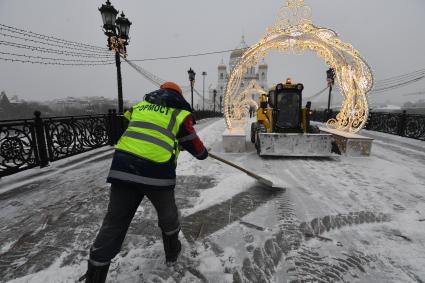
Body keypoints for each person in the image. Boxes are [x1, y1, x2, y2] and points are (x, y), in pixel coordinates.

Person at [80, 82, 208, 283]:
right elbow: (198, 151)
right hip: (156, 173)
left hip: (123, 169)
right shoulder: (178, 114)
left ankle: (95, 273)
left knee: (114, 222)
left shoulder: (139, 107)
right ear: (178, 97)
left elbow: (138, 132)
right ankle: (172, 253)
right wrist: (199, 150)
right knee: (168, 215)